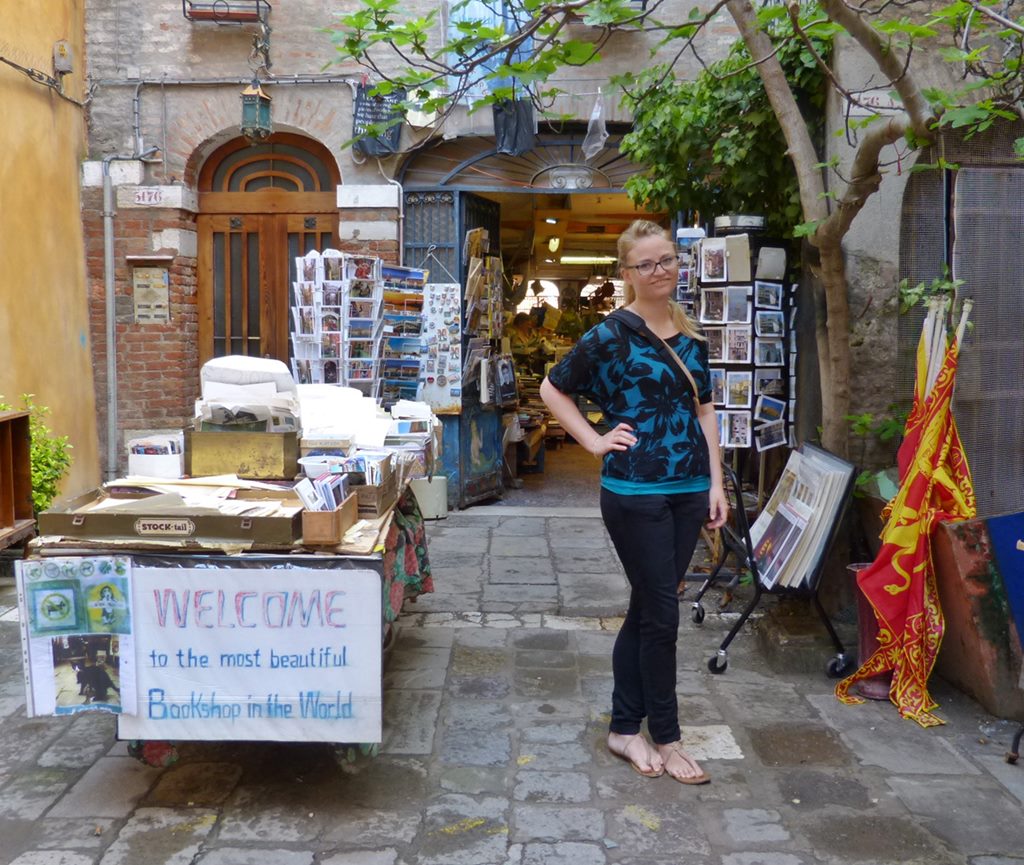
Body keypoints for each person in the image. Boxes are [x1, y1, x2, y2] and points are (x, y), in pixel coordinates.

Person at [539, 219, 728, 784]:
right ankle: (667, 736)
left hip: (689, 490)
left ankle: (624, 729)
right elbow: (554, 387)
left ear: (678, 263)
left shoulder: (692, 336)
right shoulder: (611, 335)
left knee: (650, 608)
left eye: (666, 259)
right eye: (645, 264)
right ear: (627, 273)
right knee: (663, 616)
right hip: (634, 493)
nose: (658, 271)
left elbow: (705, 410)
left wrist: (716, 482)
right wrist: (595, 441)